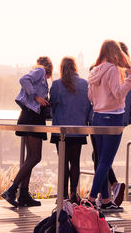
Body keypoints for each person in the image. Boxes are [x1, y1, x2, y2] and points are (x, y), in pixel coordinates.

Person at [87, 39, 131, 212]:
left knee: (101, 160)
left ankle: (106, 200)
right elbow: (118, 93)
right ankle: (92, 198)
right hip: (113, 119)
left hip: (97, 117)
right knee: (105, 162)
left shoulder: (94, 71)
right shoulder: (113, 70)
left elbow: (91, 98)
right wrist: (130, 79)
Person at [1, 56, 53, 208]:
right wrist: (37, 97)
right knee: (35, 156)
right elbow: (24, 79)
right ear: (49, 67)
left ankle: (23, 194)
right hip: (32, 117)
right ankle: (12, 189)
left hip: (30, 115)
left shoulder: (39, 74)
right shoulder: (40, 71)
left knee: (30, 157)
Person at [50, 57, 91, 204]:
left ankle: (62, 195)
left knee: (63, 163)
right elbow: (88, 105)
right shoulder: (84, 84)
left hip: (61, 129)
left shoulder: (56, 85)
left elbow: (52, 105)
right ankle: (74, 194)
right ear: (75, 67)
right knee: (75, 162)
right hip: (78, 128)